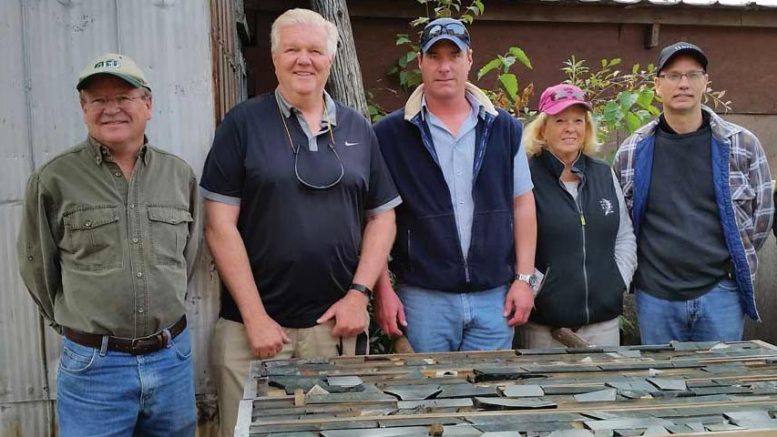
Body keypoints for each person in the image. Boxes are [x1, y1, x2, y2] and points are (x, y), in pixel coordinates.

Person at [200, 8, 400, 437]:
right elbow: (219, 225)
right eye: (292, 49)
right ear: (274, 59)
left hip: (333, 328)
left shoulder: (358, 129)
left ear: (331, 59)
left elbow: (382, 217)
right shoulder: (241, 125)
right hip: (251, 331)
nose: (303, 60)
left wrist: (359, 294)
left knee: (337, 431)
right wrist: (255, 317)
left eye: (314, 50)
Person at [17, 53, 201, 436]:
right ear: (84, 109)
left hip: (172, 361)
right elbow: (38, 267)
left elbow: (188, 255)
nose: (111, 109)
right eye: (98, 100)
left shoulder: (178, 174)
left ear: (147, 104)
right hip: (94, 370)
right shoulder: (54, 179)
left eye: (124, 97)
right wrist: (78, 329)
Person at [372, 17, 537, 352]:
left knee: (492, 398)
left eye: (454, 56)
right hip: (423, 301)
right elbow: (375, 217)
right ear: (420, 62)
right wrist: (382, 291)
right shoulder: (389, 135)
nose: (444, 66)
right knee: (425, 399)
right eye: (434, 57)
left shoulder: (504, 129)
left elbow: (523, 204)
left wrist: (523, 280)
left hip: (494, 299)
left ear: (470, 60)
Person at [613, 42, 773, 344]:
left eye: (692, 74)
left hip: (721, 293)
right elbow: (623, 225)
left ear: (705, 83)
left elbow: (761, 217)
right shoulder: (633, 151)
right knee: (662, 385)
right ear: (657, 86)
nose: (683, 83)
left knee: (721, 385)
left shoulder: (742, 145)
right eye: (673, 75)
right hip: (656, 297)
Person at [515, 84, 637, 348]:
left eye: (578, 120)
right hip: (544, 327)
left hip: (603, 325)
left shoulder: (604, 174)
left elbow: (625, 236)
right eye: (560, 120)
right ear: (542, 128)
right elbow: (510, 241)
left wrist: (617, 280)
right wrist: (537, 290)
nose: (570, 128)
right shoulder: (526, 175)